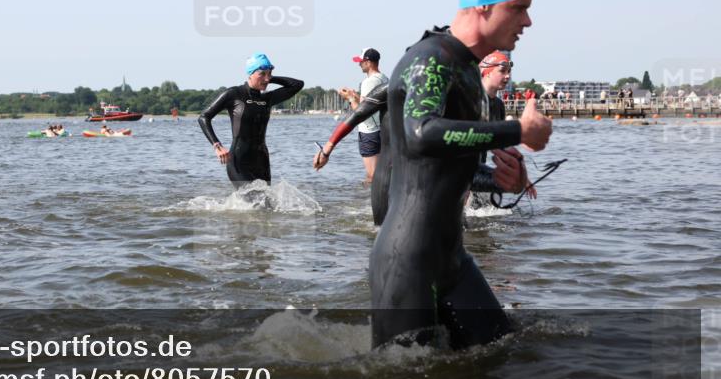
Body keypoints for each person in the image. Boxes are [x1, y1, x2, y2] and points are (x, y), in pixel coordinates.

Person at [371, 0, 551, 350]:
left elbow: (448, 163)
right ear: (484, 5)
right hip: (409, 260)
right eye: (518, 8)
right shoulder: (430, 58)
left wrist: (504, 180)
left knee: (504, 356)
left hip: (452, 257)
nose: (528, 21)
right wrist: (516, 130)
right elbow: (421, 134)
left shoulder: (468, 69)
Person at [312, 52, 527, 226]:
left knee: (457, 236)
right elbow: (358, 114)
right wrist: (328, 148)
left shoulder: (436, 99)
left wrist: (514, 170)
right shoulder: (391, 90)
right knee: (385, 238)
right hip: (390, 178)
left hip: (431, 181)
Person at [199, 53, 303, 186]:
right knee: (253, 200)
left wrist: (268, 77)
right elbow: (204, 117)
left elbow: (297, 84)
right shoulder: (234, 94)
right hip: (239, 161)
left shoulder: (267, 99)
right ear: (250, 73)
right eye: (262, 74)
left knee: (266, 205)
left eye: (269, 74)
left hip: (262, 161)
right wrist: (217, 145)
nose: (266, 79)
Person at [477, 51, 536, 203]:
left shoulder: (498, 105)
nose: (508, 76)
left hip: (479, 167)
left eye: (509, 72)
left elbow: (500, 145)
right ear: (487, 72)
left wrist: (522, 176)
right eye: (502, 71)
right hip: (458, 171)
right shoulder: (469, 100)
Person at [335, 48, 389, 183]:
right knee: (379, 173)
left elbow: (362, 112)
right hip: (382, 130)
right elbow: (371, 104)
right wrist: (355, 96)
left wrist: (350, 99)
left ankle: (369, 203)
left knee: (372, 176)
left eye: (361, 61)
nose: (359, 64)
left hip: (369, 131)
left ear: (368, 62)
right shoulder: (384, 78)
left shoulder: (368, 82)